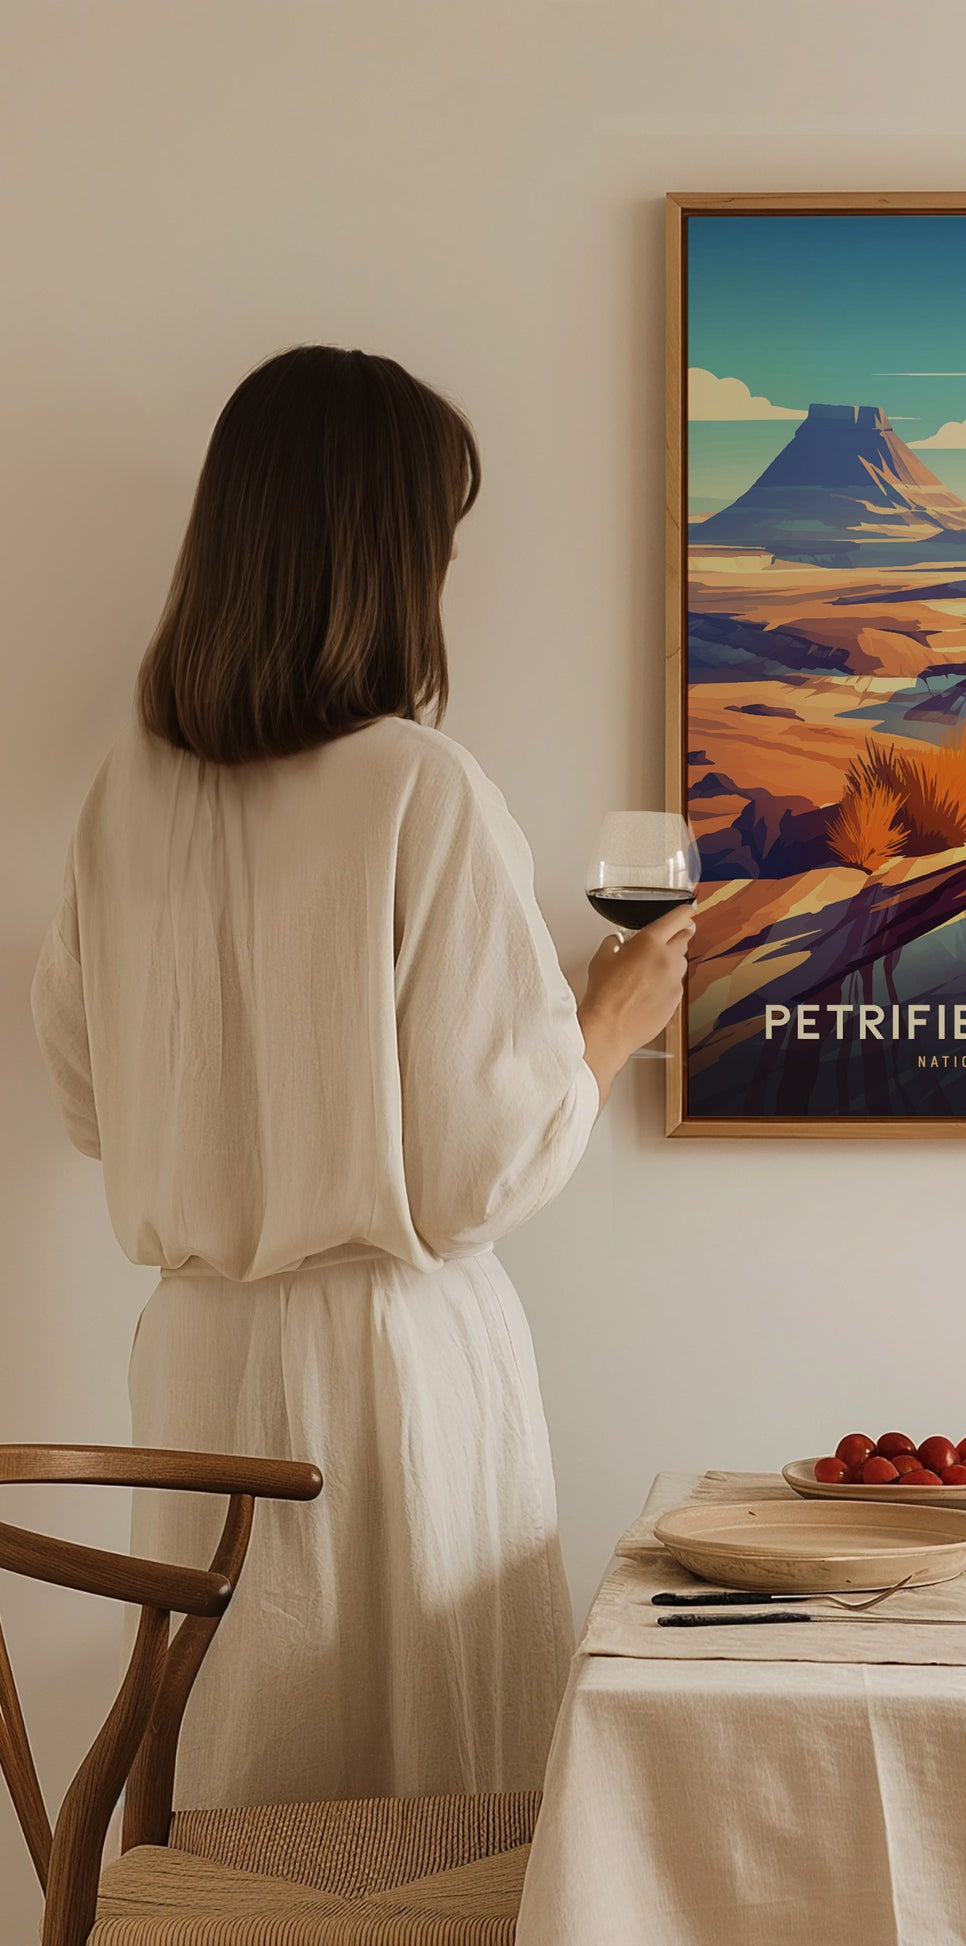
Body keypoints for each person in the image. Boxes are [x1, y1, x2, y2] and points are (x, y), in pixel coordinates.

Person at [30, 346, 691, 1808]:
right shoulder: (418, 786)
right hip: (392, 1371)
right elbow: (475, 1171)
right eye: (437, 544)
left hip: (196, 1362)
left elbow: (88, 1100)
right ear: (386, 556)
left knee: (241, 1790)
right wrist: (607, 1020)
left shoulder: (122, 797)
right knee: (425, 1809)